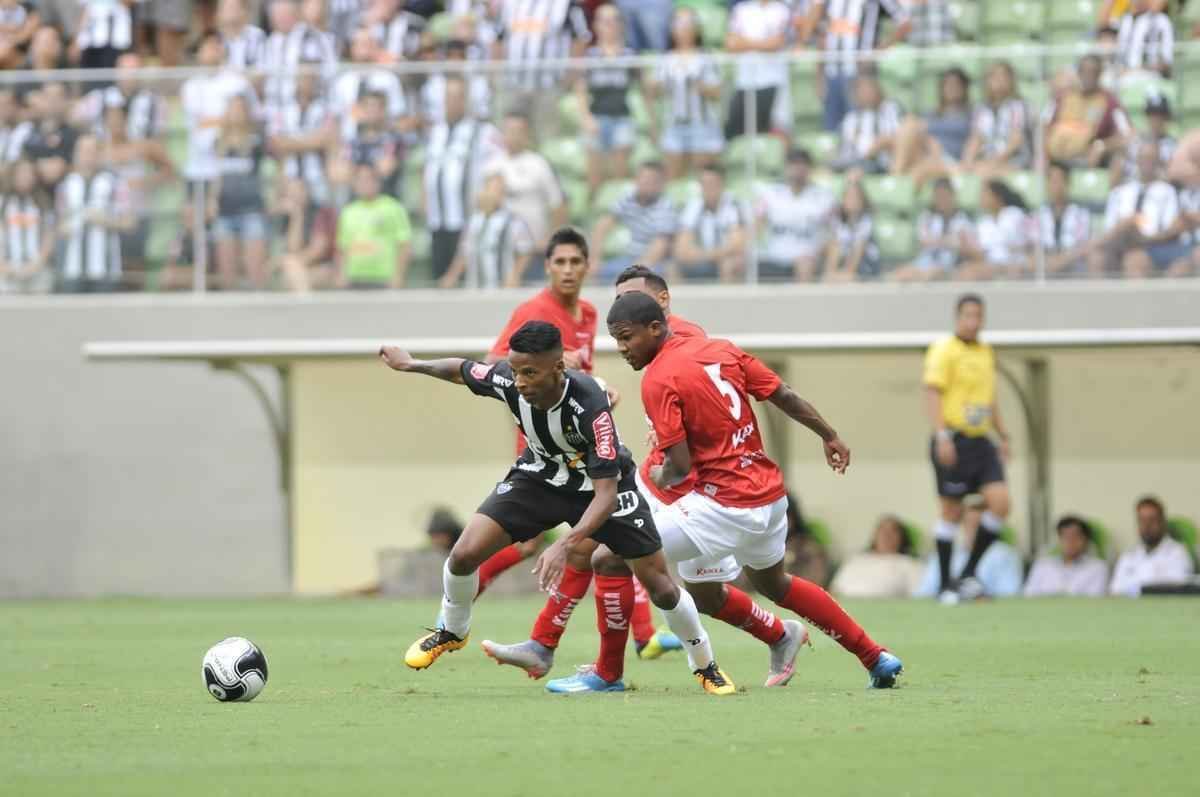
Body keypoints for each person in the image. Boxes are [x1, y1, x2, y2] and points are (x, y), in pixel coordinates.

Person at [381, 317, 736, 696]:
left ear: (558, 368)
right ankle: (452, 631)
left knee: (661, 587)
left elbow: (605, 494)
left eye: (530, 373)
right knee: (464, 554)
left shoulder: (589, 406)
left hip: (604, 488)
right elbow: (460, 369)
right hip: (538, 480)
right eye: (516, 371)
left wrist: (565, 544)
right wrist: (411, 364)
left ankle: (705, 666)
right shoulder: (509, 380)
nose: (520, 382)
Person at [602, 290, 904, 689]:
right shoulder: (722, 350)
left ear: (657, 327)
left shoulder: (658, 377)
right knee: (771, 584)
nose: (622, 349)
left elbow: (680, 466)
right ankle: (874, 656)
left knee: (608, 558)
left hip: (722, 506)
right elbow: (782, 394)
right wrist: (829, 435)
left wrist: (657, 476)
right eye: (617, 339)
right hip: (770, 496)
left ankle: (611, 673)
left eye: (627, 337)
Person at [923, 294, 1014, 604]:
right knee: (951, 509)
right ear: (957, 317)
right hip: (954, 438)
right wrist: (941, 436)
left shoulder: (987, 351)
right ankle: (946, 583)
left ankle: (968, 573)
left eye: (978, 316)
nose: (973, 321)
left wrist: (1002, 435)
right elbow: (933, 393)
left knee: (1000, 502)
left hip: (981, 439)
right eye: (967, 316)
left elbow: (990, 399)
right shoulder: (944, 350)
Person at [422, 75, 503, 285]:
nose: (452, 101)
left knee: (465, 282)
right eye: (448, 96)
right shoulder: (436, 132)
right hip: (437, 220)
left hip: (465, 219)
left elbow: (495, 171)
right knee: (438, 280)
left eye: (458, 96)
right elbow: (429, 170)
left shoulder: (482, 132)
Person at [810, 0, 911, 133]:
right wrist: (819, 75)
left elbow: (905, 22)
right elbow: (822, 35)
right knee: (832, 131)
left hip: (860, 74)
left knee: (860, 129)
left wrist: (879, 50)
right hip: (832, 73)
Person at [1090, 141, 1187, 278]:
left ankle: (1084, 248)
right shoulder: (1120, 191)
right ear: (1137, 160)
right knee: (1096, 258)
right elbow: (1110, 226)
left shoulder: (1167, 191)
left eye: (1152, 159)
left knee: (1134, 260)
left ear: (1159, 162)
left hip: (1151, 245)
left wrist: (1143, 238)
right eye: (1144, 158)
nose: (1147, 163)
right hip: (1119, 243)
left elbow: (1170, 229)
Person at [647, 7, 723, 181]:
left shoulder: (705, 57)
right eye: (679, 23)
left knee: (703, 179)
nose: (683, 28)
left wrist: (696, 85)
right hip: (674, 124)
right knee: (672, 180)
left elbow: (717, 92)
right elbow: (653, 91)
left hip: (702, 125)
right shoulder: (666, 59)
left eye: (688, 23)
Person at [209, 95, 271, 291]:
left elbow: (270, 169)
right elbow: (216, 175)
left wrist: (272, 196)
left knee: (255, 273)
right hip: (225, 210)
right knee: (227, 274)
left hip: (251, 209)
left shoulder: (256, 141)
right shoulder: (218, 141)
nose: (236, 113)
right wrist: (212, 199)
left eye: (240, 109)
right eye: (233, 109)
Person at [576, 5, 638, 198]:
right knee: (594, 176)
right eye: (604, 21)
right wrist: (586, 118)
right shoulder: (590, 56)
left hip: (621, 117)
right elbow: (581, 89)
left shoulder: (629, 56)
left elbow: (643, 90)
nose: (609, 26)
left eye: (613, 20)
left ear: (620, 25)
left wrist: (653, 124)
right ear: (596, 25)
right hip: (597, 117)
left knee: (620, 175)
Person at [56, 134, 131, 292]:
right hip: (72, 268)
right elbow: (58, 225)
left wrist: (104, 220)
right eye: (82, 151)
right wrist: (65, 227)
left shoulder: (115, 183)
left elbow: (129, 222)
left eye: (91, 151)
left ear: (100, 154)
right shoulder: (66, 185)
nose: (87, 156)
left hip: (105, 269)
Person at [483, 112, 568, 251]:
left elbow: (558, 204)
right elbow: (484, 208)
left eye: (518, 131)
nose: (513, 136)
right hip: (502, 248)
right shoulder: (492, 165)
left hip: (535, 248)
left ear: (527, 134)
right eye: (509, 131)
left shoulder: (539, 163)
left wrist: (551, 239)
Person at [439, 172, 535, 289]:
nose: (492, 194)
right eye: (490, 189)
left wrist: (514, 275)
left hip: (501, 285)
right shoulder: (473, 221)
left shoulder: (513, 221)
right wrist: (452, 276)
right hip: (475, 286)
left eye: (497, 190)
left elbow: (526, 251)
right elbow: (464, 253)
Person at [913, 500, 1024, 598]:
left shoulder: (1004, 554)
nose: (973, 530)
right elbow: (924, 592)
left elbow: (1009, 593)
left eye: (978, 526)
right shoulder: (944, 554)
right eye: (968, 524)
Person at [756, 148, 836, 281]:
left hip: (808, 257)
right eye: (793, 163)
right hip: (773, 256)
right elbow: (756, 226)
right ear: (786, 167)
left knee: (804, 265)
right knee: (736, 265)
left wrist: (819, 254)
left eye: (803, 164)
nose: (798, 168)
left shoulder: (824, 197)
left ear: (810, 168)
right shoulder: (770, 194)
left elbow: (834, 235)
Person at [590, 160, 677, 278]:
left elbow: (661, 245)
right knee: (592, 271)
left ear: (660, 184)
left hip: (656, 263)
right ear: (636, 180)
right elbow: (602, 226)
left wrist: (636, 270)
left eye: (652, 180)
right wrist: (595, 259)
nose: (646, 183)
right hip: (629, 258)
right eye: (643, 178)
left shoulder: (665, 207)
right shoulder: (628, 199)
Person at [1042, 55, 1132, 170]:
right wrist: (1043, 154)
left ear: (1100, 74)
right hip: (1056, 160)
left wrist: (1102, 146)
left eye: (1093, 72)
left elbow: (1128, 135)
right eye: (1084, 71)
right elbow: (1044, 126)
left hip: (1087, 160)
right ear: (1078, 73)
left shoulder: (1110, 102)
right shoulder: (1062, 98)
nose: (1088, 76)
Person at [891, 67, 972, 186]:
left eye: (956, 84)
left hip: (952, 160)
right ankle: (895, 175)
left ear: (964, 88)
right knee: (908, 124)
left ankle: (897, 185)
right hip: (928, 154)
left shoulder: (971, 114)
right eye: (948, 84)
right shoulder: (931, 114)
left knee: (922, 168)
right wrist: (930, 143)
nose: (952, 88)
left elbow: (975, 139)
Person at [335, 164, 411, 289]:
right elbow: (342, 247)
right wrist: (341, 274)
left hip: (384, 279)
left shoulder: (392, 207)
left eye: (368, 179)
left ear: (377, 182)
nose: (364, 184)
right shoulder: (348, 211)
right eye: (359, 180)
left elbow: (404, 245)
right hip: (354, 279)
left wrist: (399, 276)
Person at [724, 0, 792, 140]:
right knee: (737, 132)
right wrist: (764, 44)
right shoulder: (741, 9)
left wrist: (745, 43)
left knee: (777, 130)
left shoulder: (782, 10)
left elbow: (777, 43)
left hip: (774, 81)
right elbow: (731, 44)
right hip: (745, 82)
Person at [674, 163, 747, 283]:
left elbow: (737, 245)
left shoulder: (734, 205)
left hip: (724, 259)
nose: (708, 188)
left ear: (722, 184)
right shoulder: (692, 207)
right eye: (704, 184)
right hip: (703, 259)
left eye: (712, 183)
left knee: (730, 264)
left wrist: (703, 255)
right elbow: (681, 249)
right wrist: (707, 256)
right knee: (673, 268)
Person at [892, 177, 973, 282]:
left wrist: (938, 241)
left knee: (931, 274)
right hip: (926, 259)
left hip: (950, 262)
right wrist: (946, 241)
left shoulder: (963, 219)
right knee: (900, 274)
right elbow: (923, 240)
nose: (941, 200)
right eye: (938, 197)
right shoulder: (928, 217)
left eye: (945, 196)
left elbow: (960, 244)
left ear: (952, 196)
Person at [1110, 496, 1195, 597]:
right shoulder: (1128, 555)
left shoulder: (1178, 553)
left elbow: (1179, 589)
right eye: (1142, 520)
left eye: (1152, 520)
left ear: (1163, 522)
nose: (1147, 525)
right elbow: (1115, 591)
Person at [960, 62, 1031, 180]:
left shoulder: (1019, 106)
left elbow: (1016, 141)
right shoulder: (981, 108)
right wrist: (967, 160)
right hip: (987, 158)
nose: (998, 80)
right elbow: (976, 138)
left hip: (1014, 160)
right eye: (994, 76)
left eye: (1003, 76)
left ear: (1011, 80)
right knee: (961, 171)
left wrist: (994, 162)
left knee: (986, 174)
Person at [830, 515, 924, 599]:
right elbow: (833, 590)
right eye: (882, 530)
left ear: (902, 538)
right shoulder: (855, 560)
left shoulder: (909, 564)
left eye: (893, 531)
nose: (886, 535)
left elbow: (921, 598)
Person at [956, 179, 1032, 281]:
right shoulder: (983, 223)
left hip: (1015, 265)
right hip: (991, 266)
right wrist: (966, 246)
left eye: (985, 194)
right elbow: (983, 254)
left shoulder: (1015, 214)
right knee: (964, 271)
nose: (981, 198)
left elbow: (1029, 242)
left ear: (997, 197)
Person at [831, 70, 904, 175]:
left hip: (889, 160)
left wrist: (885, 142)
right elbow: (851, 147)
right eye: (860, 90)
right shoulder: (851, 120)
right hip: (861, 162)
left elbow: (903, 137)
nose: (866, 93)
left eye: (869, 88)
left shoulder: (893, 108)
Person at [0, 158, 54, 294]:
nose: (25, 177)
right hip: (7, 271)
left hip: (37, 270)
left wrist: (37, 264)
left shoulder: (43, 203)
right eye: (21, 173)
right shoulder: (3, 203)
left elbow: (49, 236)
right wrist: (4, 266)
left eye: (29, 173)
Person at [1023, 516, 1109, 597]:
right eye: (1065, 537)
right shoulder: (1042, 565)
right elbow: (1028, 595)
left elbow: (1096, 599)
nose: (1070, 542)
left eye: (1075, 536)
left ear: (1085, 540)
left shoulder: (1098, 567)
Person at [277, 177, 337, 291]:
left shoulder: (321, 212)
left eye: (298, 190)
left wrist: (292, 261)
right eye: (291, 192)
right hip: (301, 268)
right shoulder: (289, 216)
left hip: (325, 266)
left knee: (291, 270)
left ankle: (304, 302)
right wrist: (297, 216)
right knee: (292, 273)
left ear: (307, 191)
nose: (295, 195)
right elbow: (293, 248)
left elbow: (319, 250)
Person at [1036, 162, 1093, 278]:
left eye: (1059, 181)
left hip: (1073, 266)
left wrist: (1061, 260)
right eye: (1052, 181)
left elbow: (1081, 246)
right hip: (1046, 266)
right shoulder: (1038, 214)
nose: (1056, 186)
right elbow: (1034, 244)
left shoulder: (1081, 214)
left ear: (1068, 183)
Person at [820, 179, 881, 282]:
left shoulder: (866, 221)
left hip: (866, 263)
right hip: (844, 259)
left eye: (856, 198)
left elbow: (859, 249)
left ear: (863, 201)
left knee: (849, 276)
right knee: (833, 245)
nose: (853, 202)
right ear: (843, 200)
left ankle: (844, 275)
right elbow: (835, 245)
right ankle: (831, 272)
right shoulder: (838, 220)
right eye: (849, 198)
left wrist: (849, 271)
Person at [1111, 94, 1176, 187]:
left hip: (1159, 195)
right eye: (1151, 115)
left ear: (1167, 118)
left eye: (1160, 115)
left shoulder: (1173, 147)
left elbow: (1171, 181)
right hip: (1129, 191)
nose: (1155, 120)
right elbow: (1114, 181)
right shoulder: (1133, 143)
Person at [1115, 0, 1172, 81]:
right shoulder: (1125, 20)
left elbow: (1165, 61)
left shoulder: (1161, 21)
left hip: (1149, 75)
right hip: (1122, 73)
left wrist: (1137, 69)